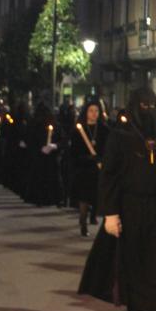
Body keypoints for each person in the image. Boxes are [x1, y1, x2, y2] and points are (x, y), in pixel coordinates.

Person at [78, 87, 156, 311]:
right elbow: (109, 176)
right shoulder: (121, 136)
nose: (148, 110)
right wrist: (110, 213)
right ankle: (136, 310)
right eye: (143, 105)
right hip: (132, 206)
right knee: (135, 259)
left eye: (151, 105)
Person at [70, 101, 108, 237]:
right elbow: (73, 151)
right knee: (84, 196)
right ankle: (83, 222)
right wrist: (86, 158)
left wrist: (102, 159)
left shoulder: (104, 129)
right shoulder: (78, 130)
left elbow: (107, 148)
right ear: (86, 112)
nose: (94, 114)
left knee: (96, 195)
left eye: (96, 111)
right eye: (91, 111)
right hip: (84, 168)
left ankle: (93, 215)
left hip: (98, 168)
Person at [27, 104, 61, 207]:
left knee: (46, 178)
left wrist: (54, 146)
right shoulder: (37, 125)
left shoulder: (54, 125)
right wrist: (41, 148)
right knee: (43, 178)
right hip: (41, 156)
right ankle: (44, 199)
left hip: (48, 156)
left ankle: (44, 199)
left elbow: (62, 139)